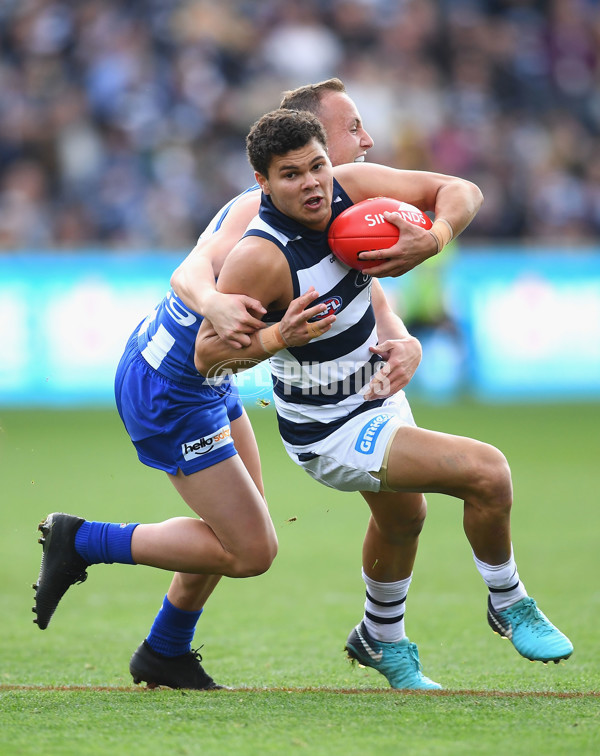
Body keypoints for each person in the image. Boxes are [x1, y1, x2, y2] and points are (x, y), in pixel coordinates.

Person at [193, 108, 573, 689]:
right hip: (330, 429)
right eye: (291, 174)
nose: (314, 183)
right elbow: (207, 357)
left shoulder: (352, 189)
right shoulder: (261, 258)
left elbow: (461, 190)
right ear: (263, 183)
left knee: (404, 521)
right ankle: (509, 601)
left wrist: (433, 242)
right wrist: (277, 337)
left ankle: (380, 637)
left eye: (318, 165)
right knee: (488, 473)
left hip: (379, 394)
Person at [30, 79, 381, 691]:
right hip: (174, 380)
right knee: (251, 551)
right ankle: (82, 540)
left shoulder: (325, 204)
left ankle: (165, 650)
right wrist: (237, 318)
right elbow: (194, 276)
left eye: (326, 159)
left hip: (205, 374)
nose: (366, 141)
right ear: (279, 166)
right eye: (350, 129)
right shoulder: (258, 210)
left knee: (238, 529)